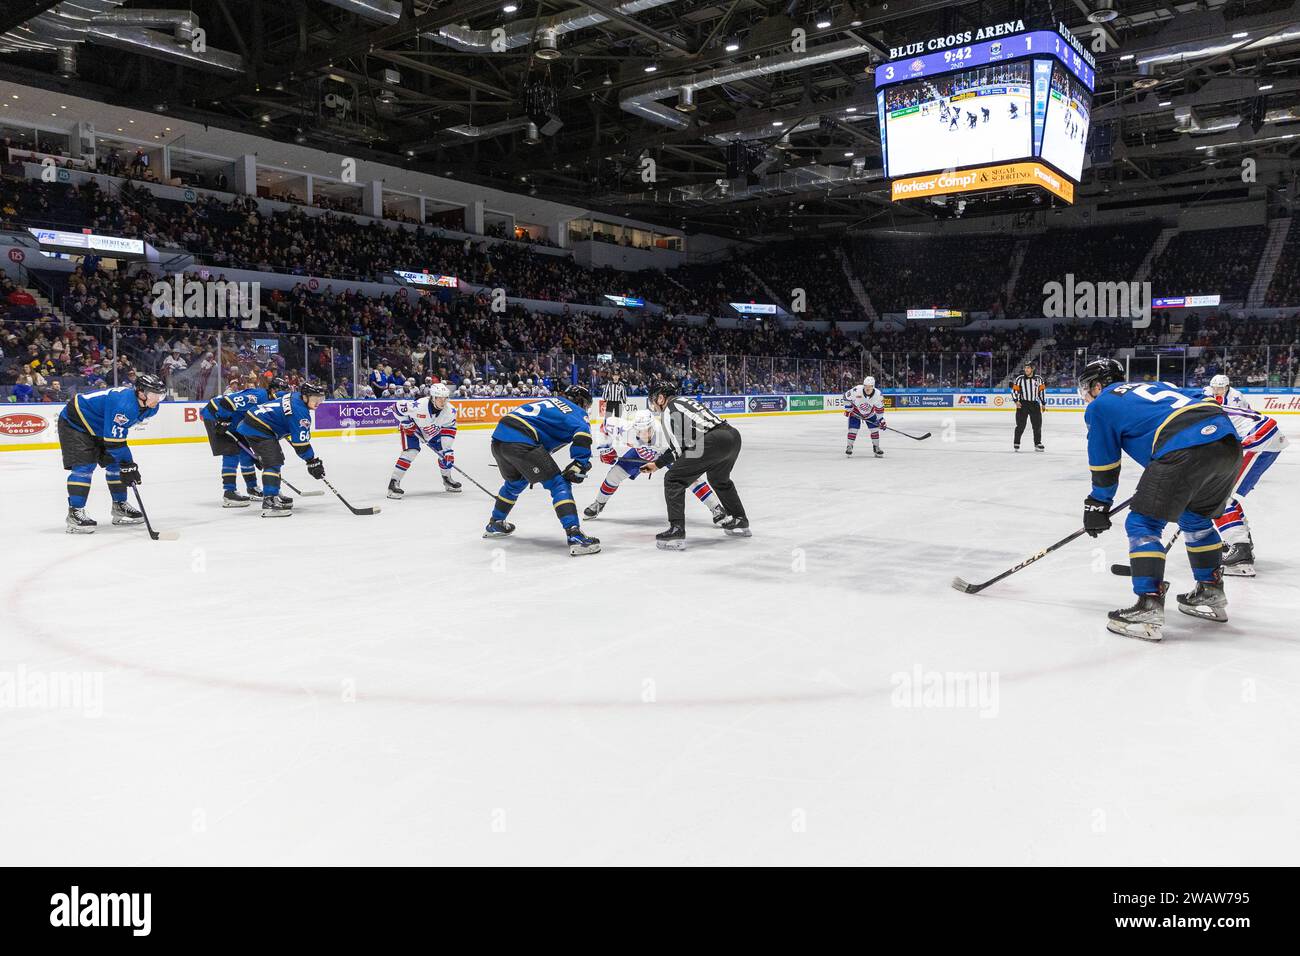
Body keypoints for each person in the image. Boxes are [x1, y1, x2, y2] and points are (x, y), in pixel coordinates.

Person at [1078, 359, 1241, 641]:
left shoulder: (1101, 404)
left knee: (1143, 523)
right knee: (1195, 519)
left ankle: (1149, 606)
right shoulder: (1155, 385)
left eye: (1086, 388)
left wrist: (1098, 503)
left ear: (1097, 385)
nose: (1085, 395)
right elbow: (1204, 398)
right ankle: (1210, 592)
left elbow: (1104, 463)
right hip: (1227, 444)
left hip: (1184, 446)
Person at [484, 385, 600, 556]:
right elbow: (583, 434)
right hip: (523, 440)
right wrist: (580, 462)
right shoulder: (577, 410)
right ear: (582, 402)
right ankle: (574, 535)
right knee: (559, 484)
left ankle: (495, 523)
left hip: (499, 440)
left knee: (515, 482)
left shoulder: (550, 401)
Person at [645, 381, 748, 549]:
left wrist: (657, 464)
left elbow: (679, 450)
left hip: (713, 441)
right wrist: (657, 463)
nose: (653, 405)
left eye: (653, 400)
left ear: (661, 398)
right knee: (718, 479)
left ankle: (676, 529)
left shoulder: (669, 410)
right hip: (732, 436)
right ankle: (740, 520)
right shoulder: (685, 401)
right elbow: (689, 442)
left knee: (673, 478)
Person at [58, 373, 166, 533]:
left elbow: (116, 436)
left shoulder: (151, 407)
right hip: (76, 422)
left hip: (101, 426)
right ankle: (75, 513)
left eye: (160, 395)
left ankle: (119, 507)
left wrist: (126, 465)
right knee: (84, 466)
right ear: (140, 392)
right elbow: (115, 442)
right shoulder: (124, 404)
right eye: (153, 395)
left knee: (116, 464)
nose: (157, 399)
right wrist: (129, 464)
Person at [1203, 373, 1288, 576]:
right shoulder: (1205, 403)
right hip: (1264, 437)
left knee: (1218, 496)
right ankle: (1241, 543)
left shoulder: (1207, 409)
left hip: (1258, 439)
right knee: (1225, 494)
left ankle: (1240, 550)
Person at [583, 411, 726, 523]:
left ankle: (715, 507)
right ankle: (598, 503)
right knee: (614, 474)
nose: (645, 434)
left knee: (691, 477)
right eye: (640, 431)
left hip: (667, 454)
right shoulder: (626, 430)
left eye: (648, 430)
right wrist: (605, 449)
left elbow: (682, 449)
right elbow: (605, 425)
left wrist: (657, 465)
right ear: (634, 428)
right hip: (640, 453)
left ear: (653, 426)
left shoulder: (665, 434)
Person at [235, 381, 327, 517]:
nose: (318, 403)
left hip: (254, 421)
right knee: (273, 462)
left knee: (275, 459)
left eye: (321, 399)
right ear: (306, 397)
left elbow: (277, 397)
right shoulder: (301, 413)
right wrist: (312, 461)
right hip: (259, 428)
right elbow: (301, 445)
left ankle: (274, 493)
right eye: (315, 399)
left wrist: (279, 421)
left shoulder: (294, 395)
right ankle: (270, 501)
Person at [201, 377, 286, 507]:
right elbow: (226, 402)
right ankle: (229, 492)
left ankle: (252, 488)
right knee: (231, 453)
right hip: (216, 416)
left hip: (234, 423)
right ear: (274, 390)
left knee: (247, 454)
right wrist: (223, 420)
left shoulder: (270, 403)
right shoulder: (258, 396)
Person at [388, 382, 461, 498]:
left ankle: (447, 480)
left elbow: (449, 430)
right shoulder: (419, 406)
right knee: (411, 452)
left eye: (445, 398)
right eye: (439, 398)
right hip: (412, 430)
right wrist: (406, 423)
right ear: (432, 398)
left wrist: (448, 450)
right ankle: (394, 483)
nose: (443, 401)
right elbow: (396, 407)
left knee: (444, 454)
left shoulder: (450, 411)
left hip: (431, 432)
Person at [843, 375, 887, 457]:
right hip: (855, 413)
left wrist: (881, 420)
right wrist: (848, 409)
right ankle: (849, 446)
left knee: (874, 430)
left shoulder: (878, 395)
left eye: (869, 387)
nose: (867, 388)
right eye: (865, 386)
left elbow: (879, 409)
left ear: (873, 387)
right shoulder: (857, 390)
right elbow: (846, 397)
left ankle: (876, 447)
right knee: (853, 430)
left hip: (870, 414)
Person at [1011, 362, 1046, 451]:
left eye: (1028, 368)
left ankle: (1037, 443)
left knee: (1037, 425)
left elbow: (1041, 392)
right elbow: (1015, 391)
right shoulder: (1020, 379)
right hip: (1023, 404)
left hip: (1034, 404)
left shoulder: (1039, 379)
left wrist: (1043, 403)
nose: (1026, 369)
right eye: (1025, 368)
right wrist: (1016, 401)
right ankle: (1016, 442)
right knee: (1021, 425)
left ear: (1032, 369)